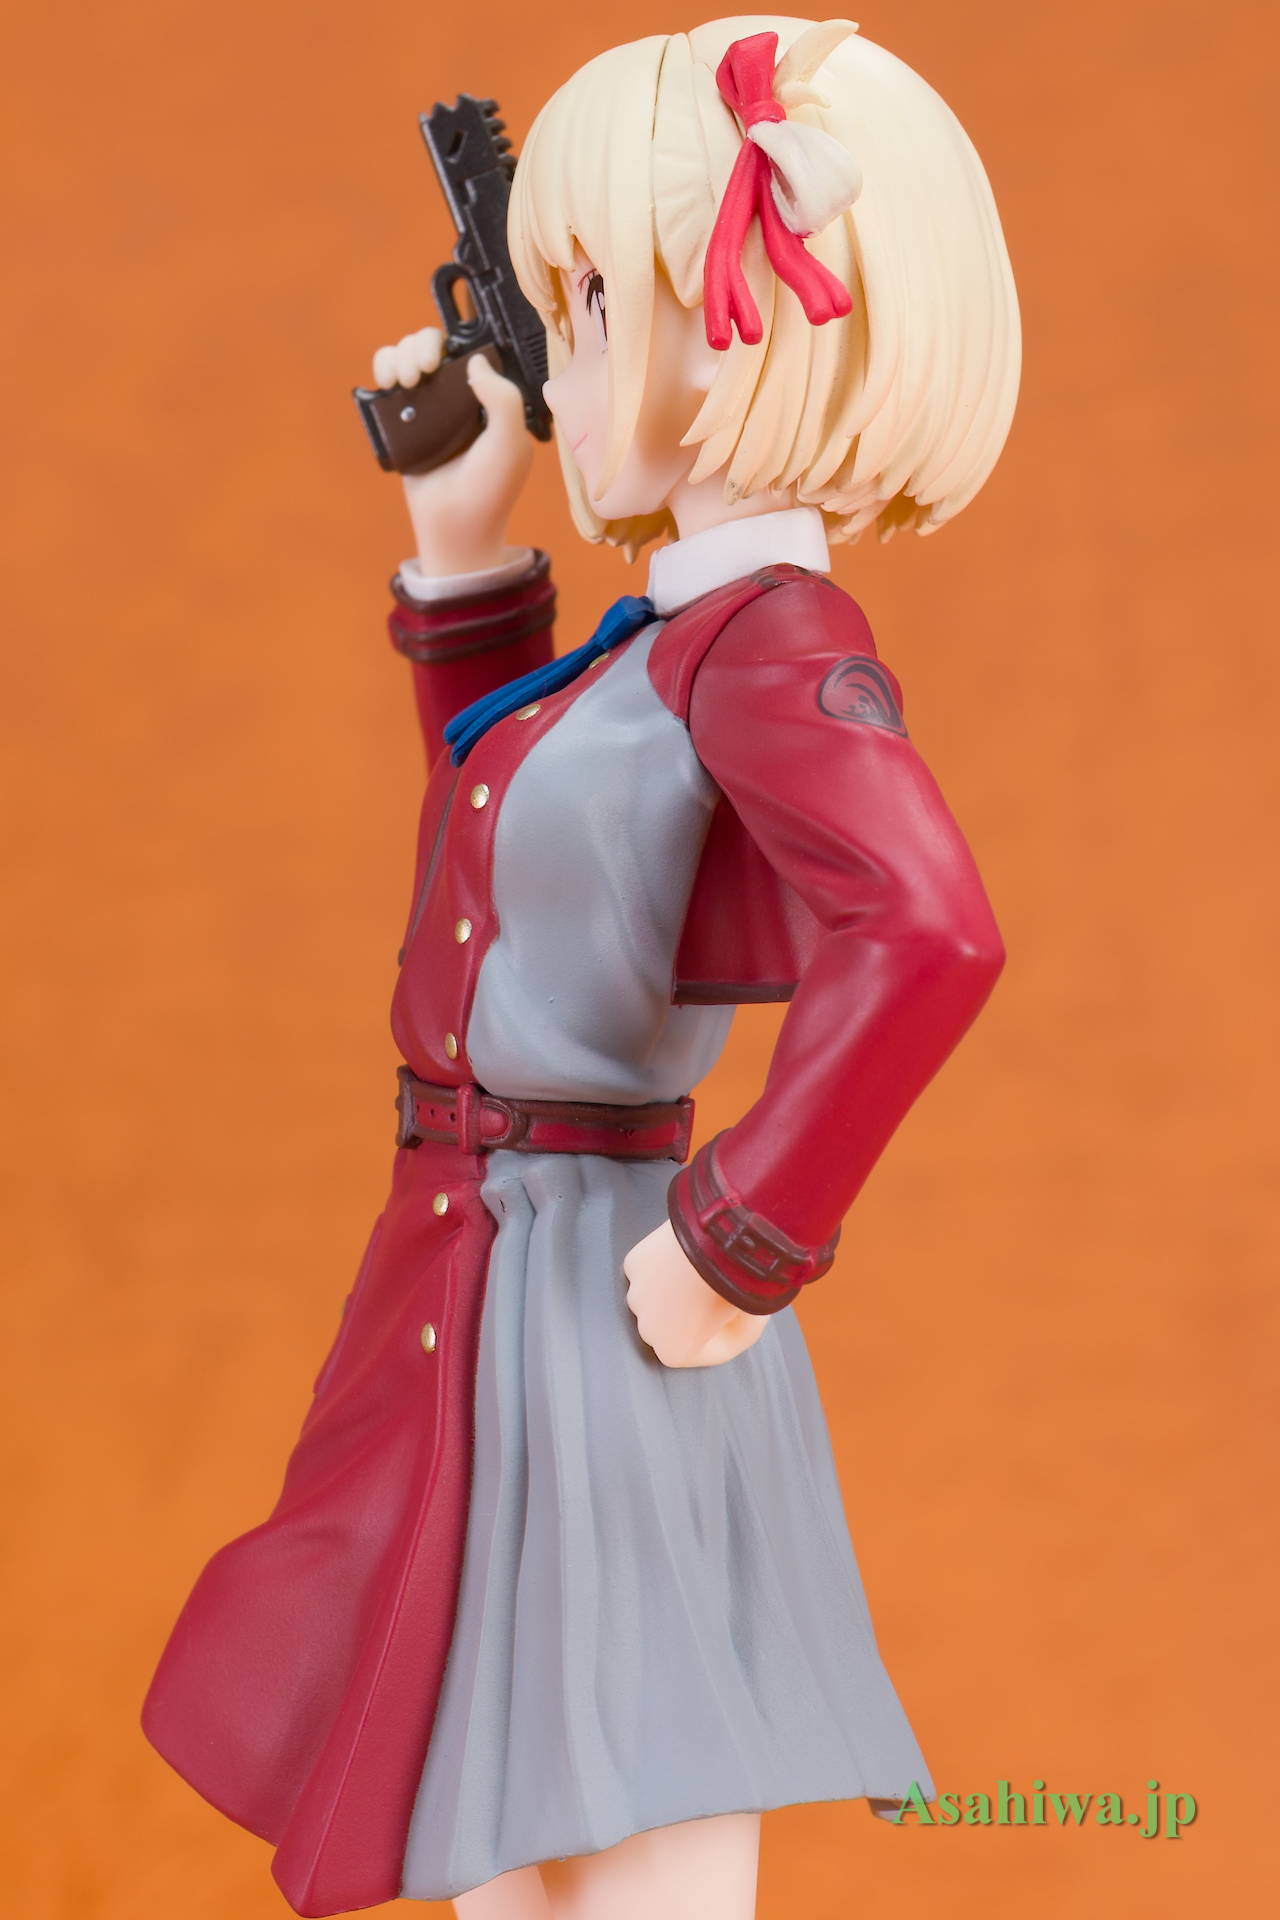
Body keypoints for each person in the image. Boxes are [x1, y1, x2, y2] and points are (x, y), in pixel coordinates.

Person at [142, 18, 1021, 1920]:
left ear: (764, 330)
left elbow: (931, 927)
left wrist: (743, 1239)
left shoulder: (769, 647)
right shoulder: (658, 646)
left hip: (609, 1294)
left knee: (634, 1813)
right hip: (480, 1261)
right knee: (485, 1814)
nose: (562, 353)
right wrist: (462, 554)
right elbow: (516, 871)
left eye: (600, 300)